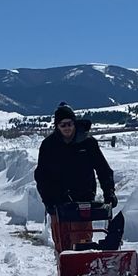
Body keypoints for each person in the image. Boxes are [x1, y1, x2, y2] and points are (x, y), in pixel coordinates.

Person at [34, 103, 117, 252]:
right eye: (62, 124)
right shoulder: (49, 146)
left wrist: (109, 191)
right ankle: (66, 273)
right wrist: (48, 201)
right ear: (57, 126)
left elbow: (103, 169)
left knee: (83, 244)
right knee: (63, 247)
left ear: (74, 123)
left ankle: (86, 273)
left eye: (69, 123)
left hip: (84, 201)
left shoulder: (88, 143)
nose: (67, 127)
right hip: (58, 204)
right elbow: (41, 176)